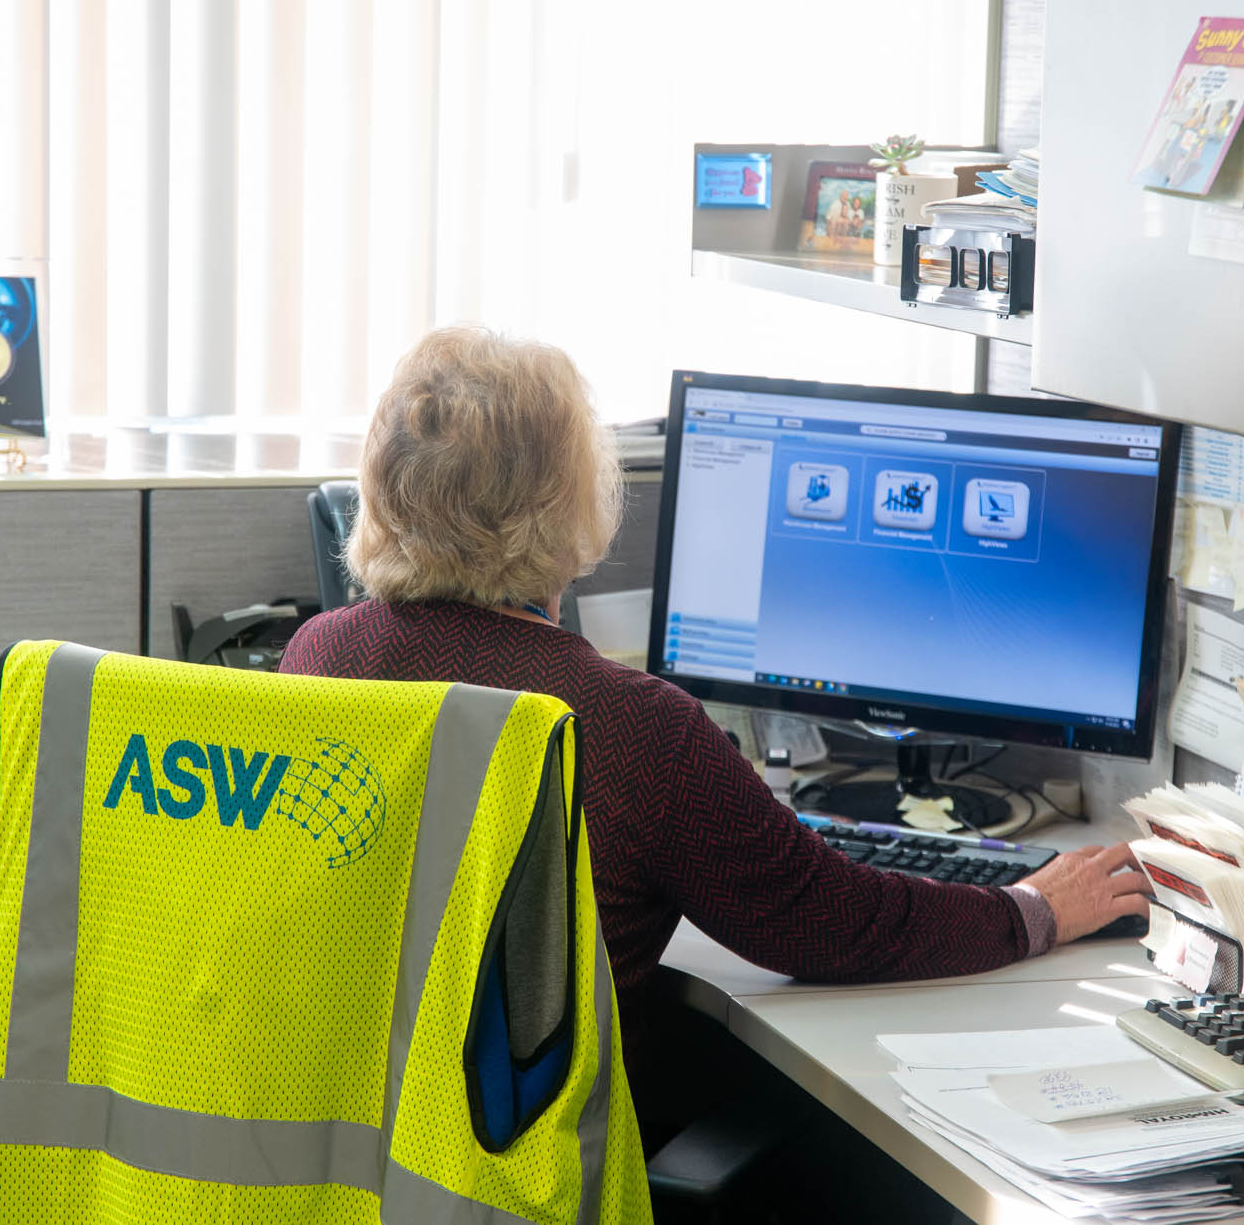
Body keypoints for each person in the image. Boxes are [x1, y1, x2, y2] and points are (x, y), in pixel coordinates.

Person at [278, 327, 1154, 1101]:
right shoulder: (632, 724)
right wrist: (1032, 908)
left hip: (365, 1163)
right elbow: (829, 921)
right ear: (565, 504)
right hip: (518, 1177)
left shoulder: (321, 657)